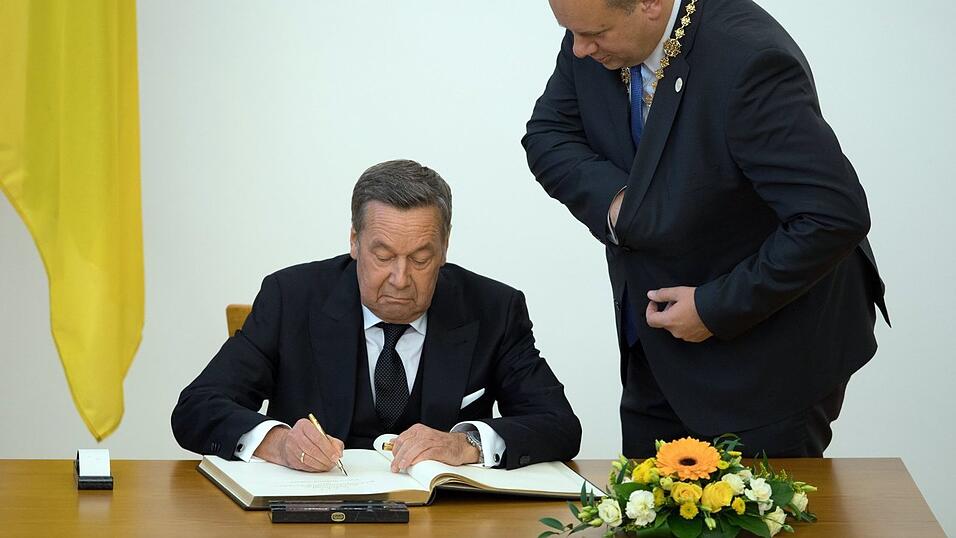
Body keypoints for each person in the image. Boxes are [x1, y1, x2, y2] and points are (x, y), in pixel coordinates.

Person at [522, 0, 889, 457]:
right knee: (646, 518)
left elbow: (833, 215)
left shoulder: (749, 60)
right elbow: (547, 133)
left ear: (650, 4)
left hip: (765, 357)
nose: (578, 50)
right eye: (570, 32)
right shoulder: (592, 32)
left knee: (752, 525)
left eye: (594, 33)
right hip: (655, 343)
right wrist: (620, 205)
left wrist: (715, 308)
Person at [172, 159, 581, 472]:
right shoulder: (291, 297)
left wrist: (466, 444)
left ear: (444, 248)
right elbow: (196, 408)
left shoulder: (493, 308)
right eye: (383, 256)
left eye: (421, 259)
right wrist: (277, 442)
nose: (400, 279)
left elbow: (560, 425)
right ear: (354, 242)